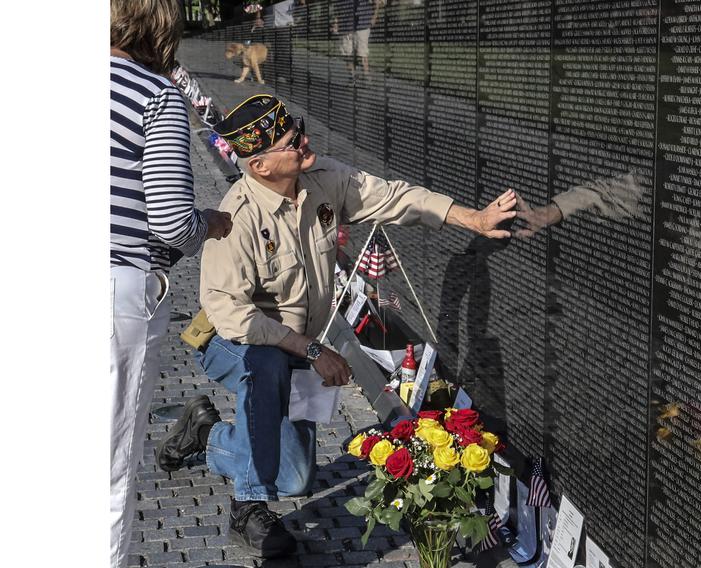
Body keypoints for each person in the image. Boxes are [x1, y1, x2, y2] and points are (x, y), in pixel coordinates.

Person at [156, 94, 517, 557]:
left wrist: (474, 218)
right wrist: (311, 351)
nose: (305, 141)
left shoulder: (322, 178)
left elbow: (391, 196)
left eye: (299, 129)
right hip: (233, 341)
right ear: (261, 166)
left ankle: (205, 433)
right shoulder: (236, 219)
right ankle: (248, 507)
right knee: (262, 375)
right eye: (291, 141)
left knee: (297, 476)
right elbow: (232, 315)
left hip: (301, 344)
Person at [110, 1, 234, 568]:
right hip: (118, 289)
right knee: (108, 470)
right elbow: (170, 220)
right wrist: (209, 222)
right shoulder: (154, 94)